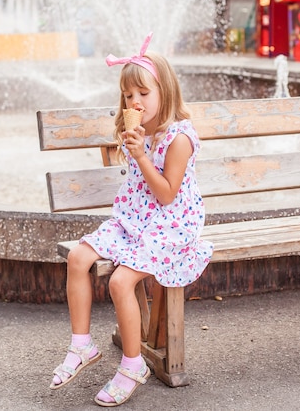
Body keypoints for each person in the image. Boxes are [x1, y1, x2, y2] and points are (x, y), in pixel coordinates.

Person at [49, 32, 212, 407]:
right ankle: (81, 346)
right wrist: (133, 145)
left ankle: (133, 364)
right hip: (135, 219)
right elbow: (139, 192)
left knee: (121, 281)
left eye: (143, 93)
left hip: (171, 225)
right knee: (78, 258)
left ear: (164, 92)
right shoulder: (140, 131)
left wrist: (140, 156)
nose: (135, 101)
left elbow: (168, 193)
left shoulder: (179, 138)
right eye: (128, 96)